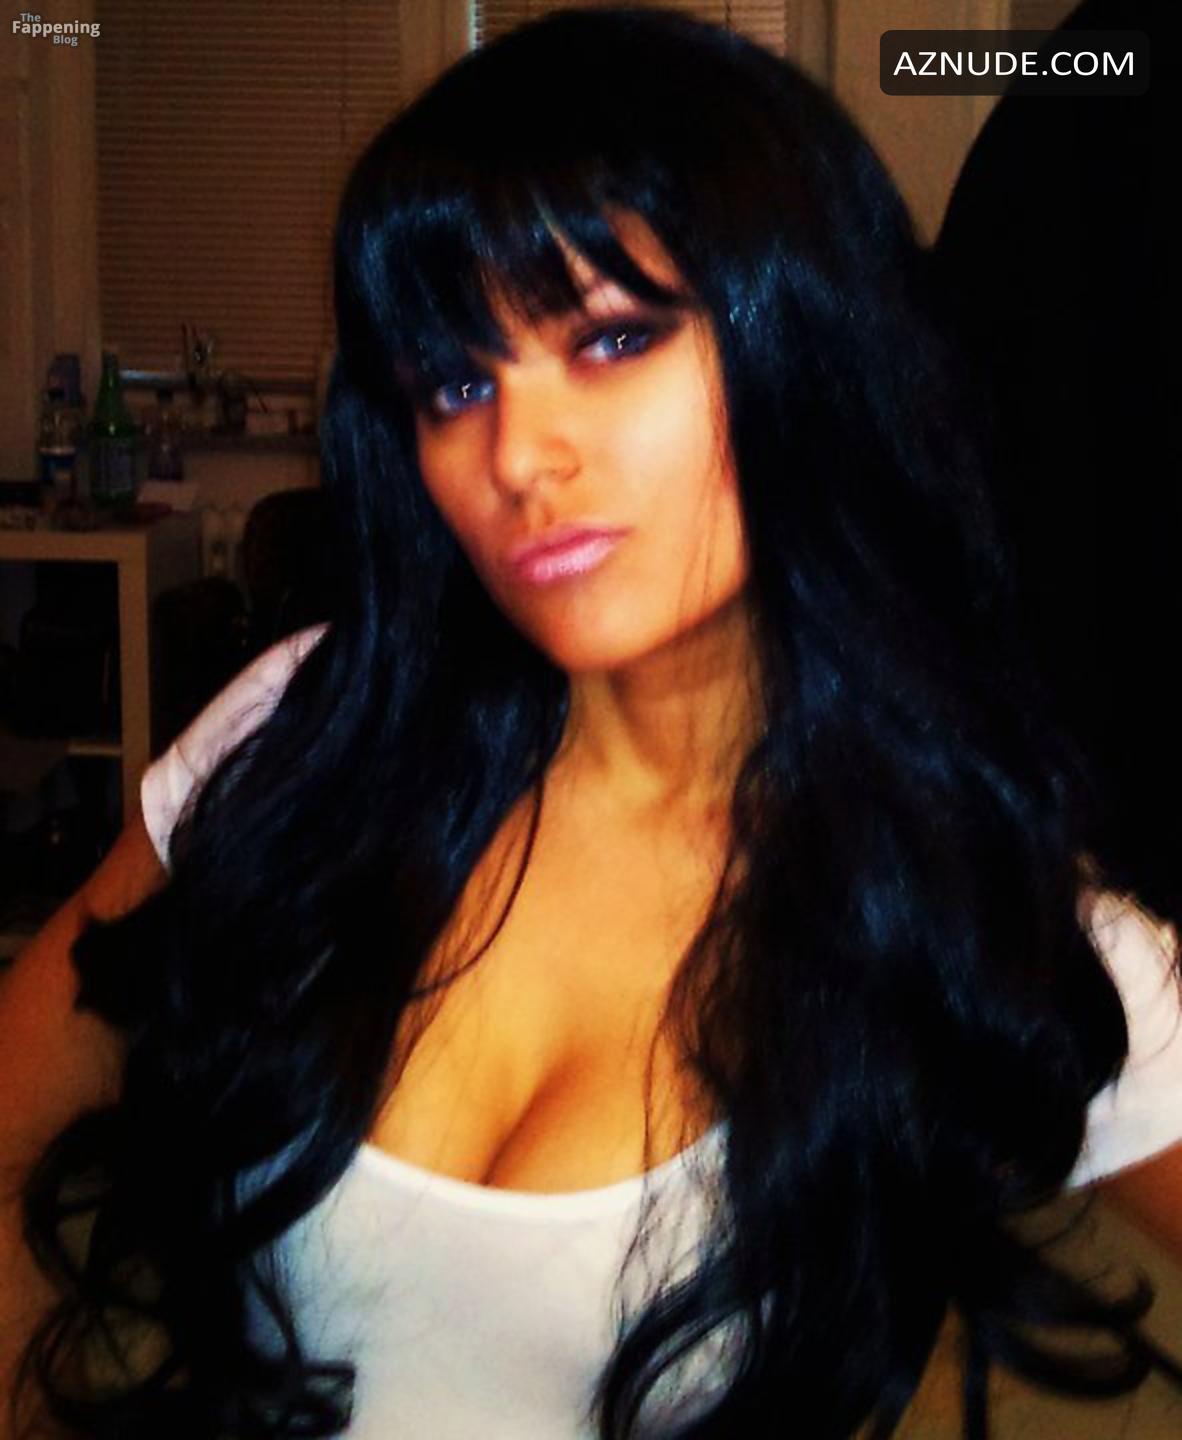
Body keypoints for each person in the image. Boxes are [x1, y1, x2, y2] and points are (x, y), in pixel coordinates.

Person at [2, 9, 1181, 1438]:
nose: (517, 454)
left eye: (613, 338)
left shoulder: (984, 905)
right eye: (456, 382)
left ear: (807, 343)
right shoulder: (316, 725)